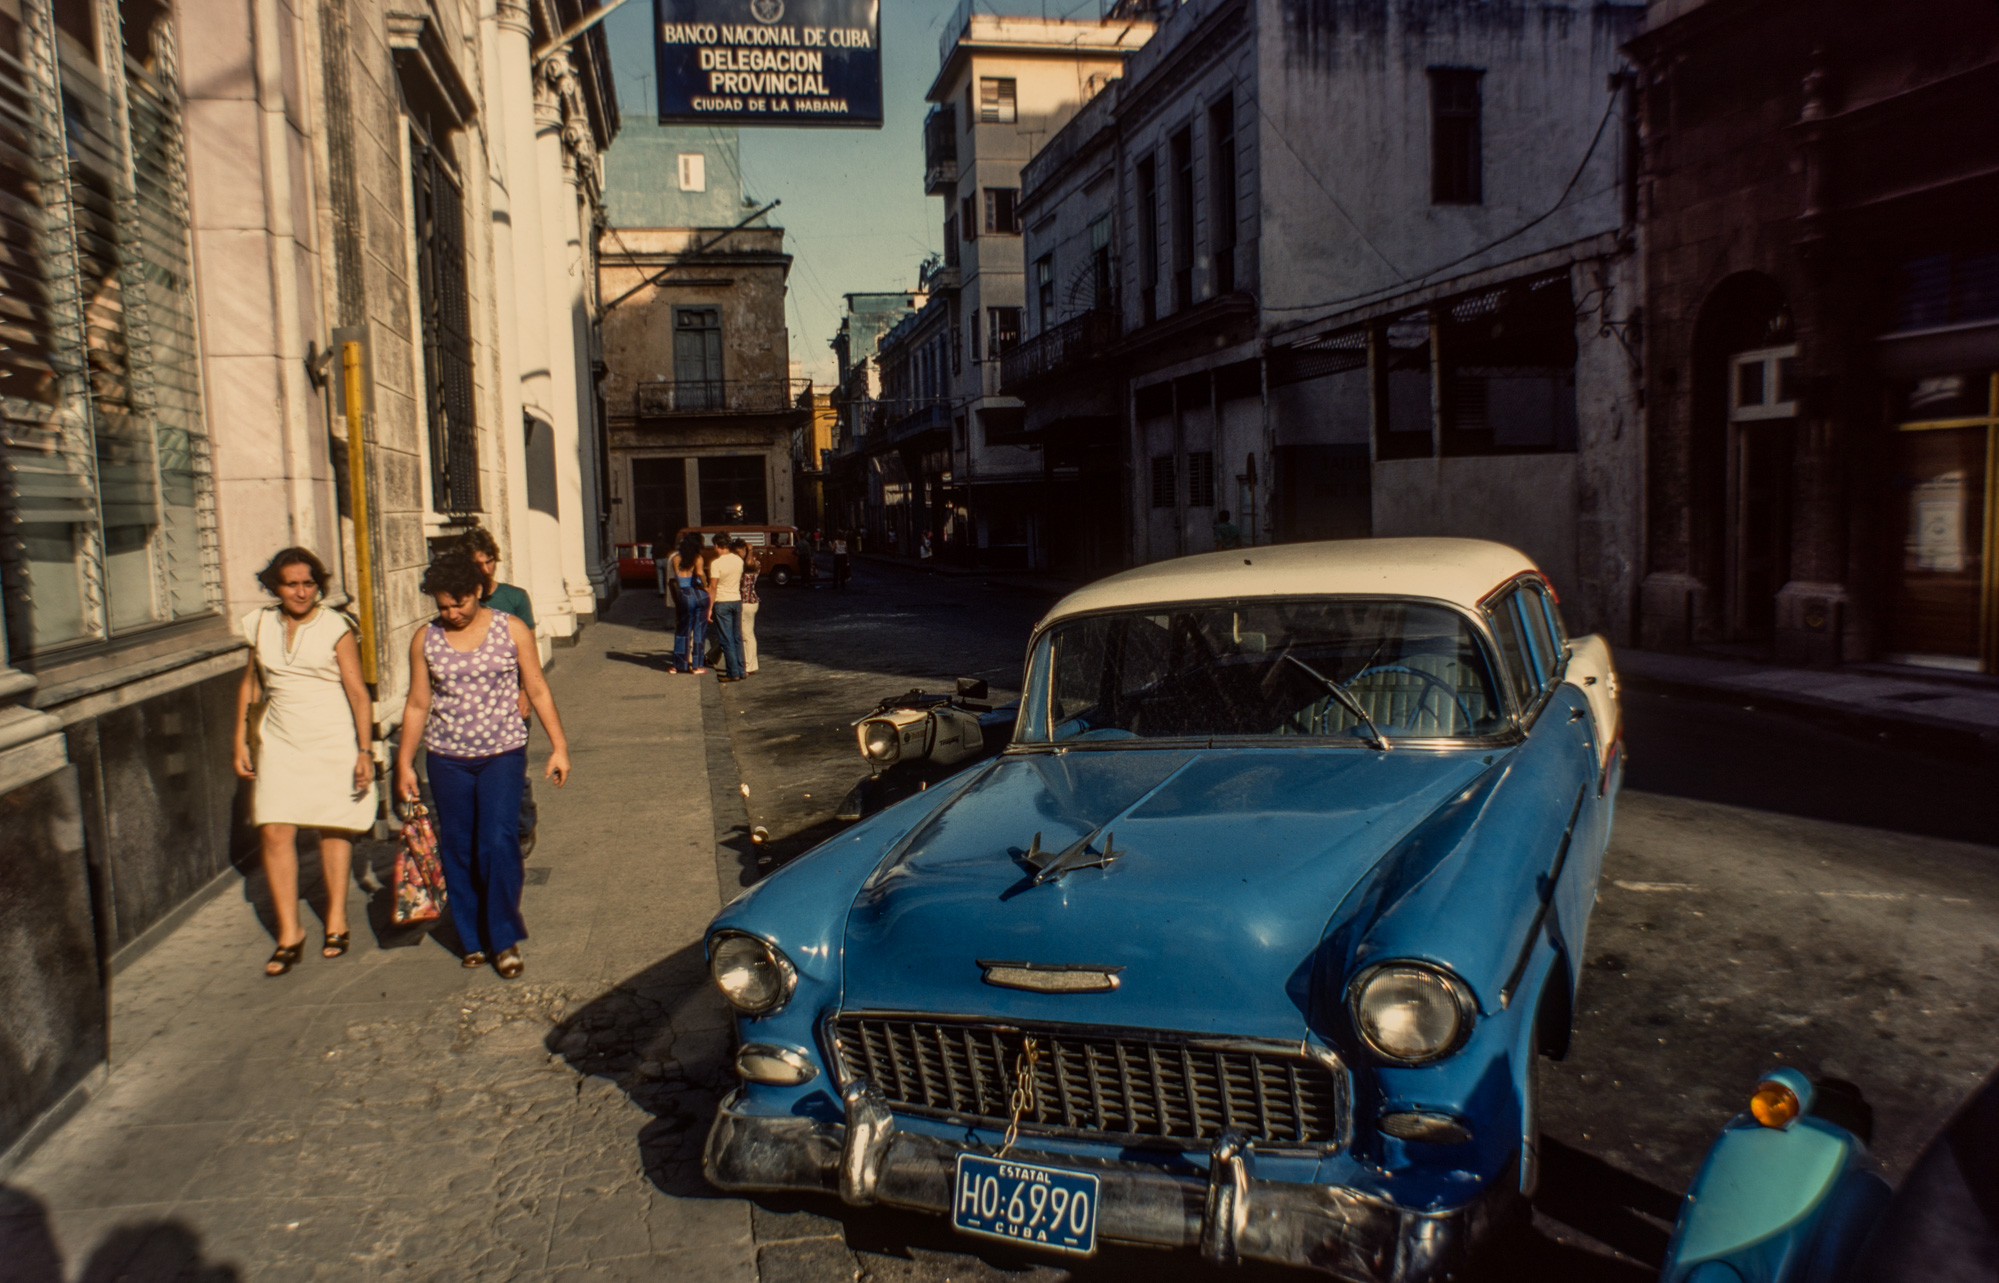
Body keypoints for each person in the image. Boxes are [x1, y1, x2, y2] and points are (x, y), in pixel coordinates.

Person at [395, 551, 570, 978]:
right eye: (443, 606)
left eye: (459, 603)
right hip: (446, 759)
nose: (451, 613)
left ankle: (503, 938)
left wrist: (559, 746)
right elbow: (418, 703)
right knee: (457, 846)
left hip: (502, 755)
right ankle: (471, 939)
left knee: (497, 843)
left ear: (477, 591)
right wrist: (403, 763)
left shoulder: (510, 630)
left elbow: (538, 688)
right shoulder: (425, 639)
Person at [232, 548, 378, 976]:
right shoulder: (258, 624)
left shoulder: (336, 626)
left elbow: (357, 694)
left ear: (319, 585)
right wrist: (240, 740)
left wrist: (364, 750)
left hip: (332, 739)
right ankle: (289, 933)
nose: (300, 591)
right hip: (279, 740)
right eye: (291, 583)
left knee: (333, 827)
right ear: (275, 587)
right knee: (275, 830)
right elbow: (252, 685)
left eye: (308, 583)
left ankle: (335, 917)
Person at [461, 528, 540, 851]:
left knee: (513, 768)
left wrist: (524, 692)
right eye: (476, 563)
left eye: (489, 561)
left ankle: (523, 826)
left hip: (510, 699)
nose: (485, 568)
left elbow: (529, 654)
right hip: (473, 703)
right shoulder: (460, 602)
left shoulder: (514, 597)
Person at [666, 533, 708, 674]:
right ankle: (697, 665)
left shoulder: (676, 559)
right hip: (698, 594)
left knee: (682, 630)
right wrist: (705, 585)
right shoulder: (697, 558)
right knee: (699, 630)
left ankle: (678, 665)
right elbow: (701, 574)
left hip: (684, 594)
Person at [707, 533, 746, 683]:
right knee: (736, 638)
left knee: (726, 639)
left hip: (722, 601)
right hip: (736, 600)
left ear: (717, 545)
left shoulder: (716, 563)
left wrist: (709, 608)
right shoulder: (738, 560)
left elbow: (713, 587)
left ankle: (733, 672)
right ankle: (741, 670)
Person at [732, 537, 760, 675]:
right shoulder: (738, 564)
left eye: (740, 552)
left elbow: (748, 563)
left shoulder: (754, 563)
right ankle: (748, 663)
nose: (738, 556)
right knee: (744, 634)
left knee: (746, 634)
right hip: (743, 602)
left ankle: (749, 665)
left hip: (748, 602)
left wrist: (750, 549)